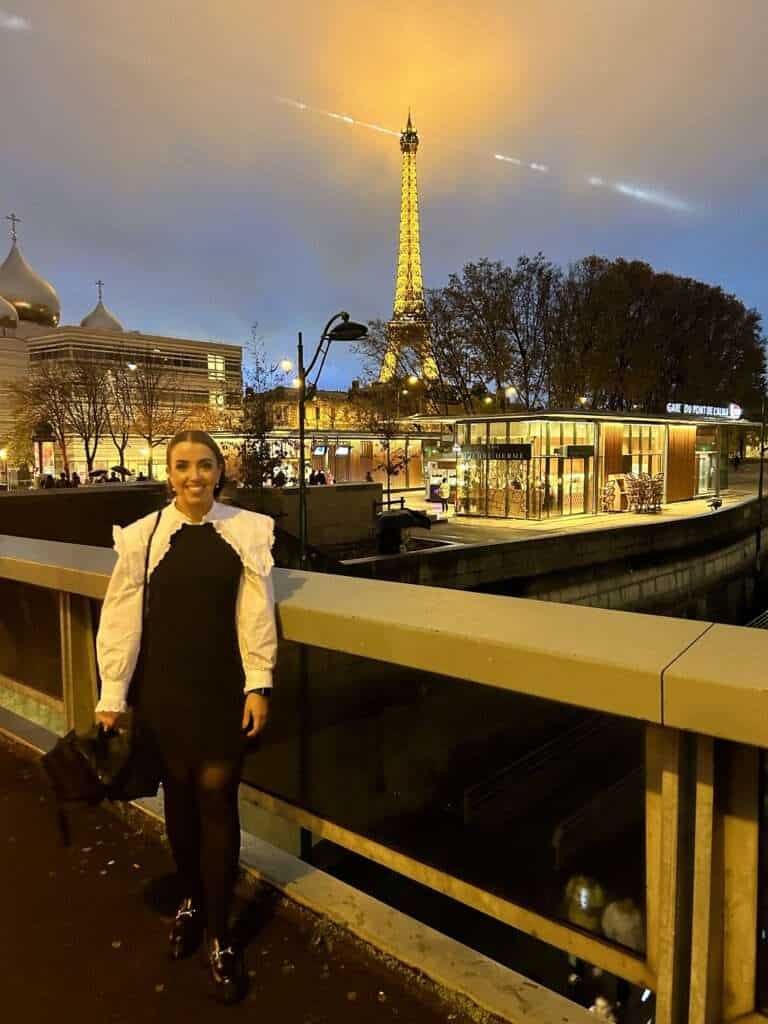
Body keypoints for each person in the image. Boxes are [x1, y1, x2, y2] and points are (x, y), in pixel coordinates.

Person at [94, 429, 277, 1004]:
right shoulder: (145, 536)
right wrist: (112, 692)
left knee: (218, 804)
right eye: (182, 466)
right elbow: (121, 615)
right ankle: (192, 900)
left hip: (222, 688)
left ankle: (221, 936)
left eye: (204, 465)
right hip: (166, 689)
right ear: (168, 474)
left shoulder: (246, 532)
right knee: (178, 802)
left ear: (220, 471)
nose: (193, 476)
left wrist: (259, 683)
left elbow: (255, 614)